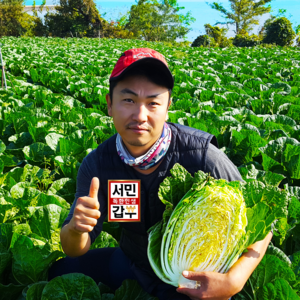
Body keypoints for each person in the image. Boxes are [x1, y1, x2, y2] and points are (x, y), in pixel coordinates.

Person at [48, 48, 273, 300]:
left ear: (167, 107)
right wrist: (76, 231)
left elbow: (259, 220)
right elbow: (74, 248)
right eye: (129, 100)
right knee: (58, 271)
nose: (140, 116)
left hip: (191, 279)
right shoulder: (98, 165)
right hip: (133, 264)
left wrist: (234, 281)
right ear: (109, 104)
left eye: (153, 102)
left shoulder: (202, 156)